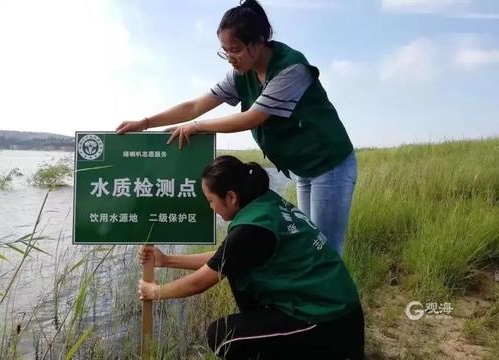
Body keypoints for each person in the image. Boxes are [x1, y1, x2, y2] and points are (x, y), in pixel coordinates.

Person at [116, 0, 357, 254]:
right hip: (304, 168)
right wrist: (145, 123)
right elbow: (196, 105)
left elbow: (253, 117)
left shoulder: (291, 68)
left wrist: (197, 127)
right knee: (311, 243)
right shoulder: (242, 73)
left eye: (236, 49)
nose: (230, 58)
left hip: (330, 165)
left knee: (326, 248)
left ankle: (335, 293)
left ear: (259, 41)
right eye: (225, 51)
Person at [137, 155, 364, 359]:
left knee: (223, 336)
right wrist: (166, 260)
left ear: (231, 197)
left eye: (210, 200)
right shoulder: (264, 202)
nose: (210, 207)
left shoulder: (250, 230)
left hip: (328, 323)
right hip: (339, 312)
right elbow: (226, 257)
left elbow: (201, 281)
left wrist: (156, 292)